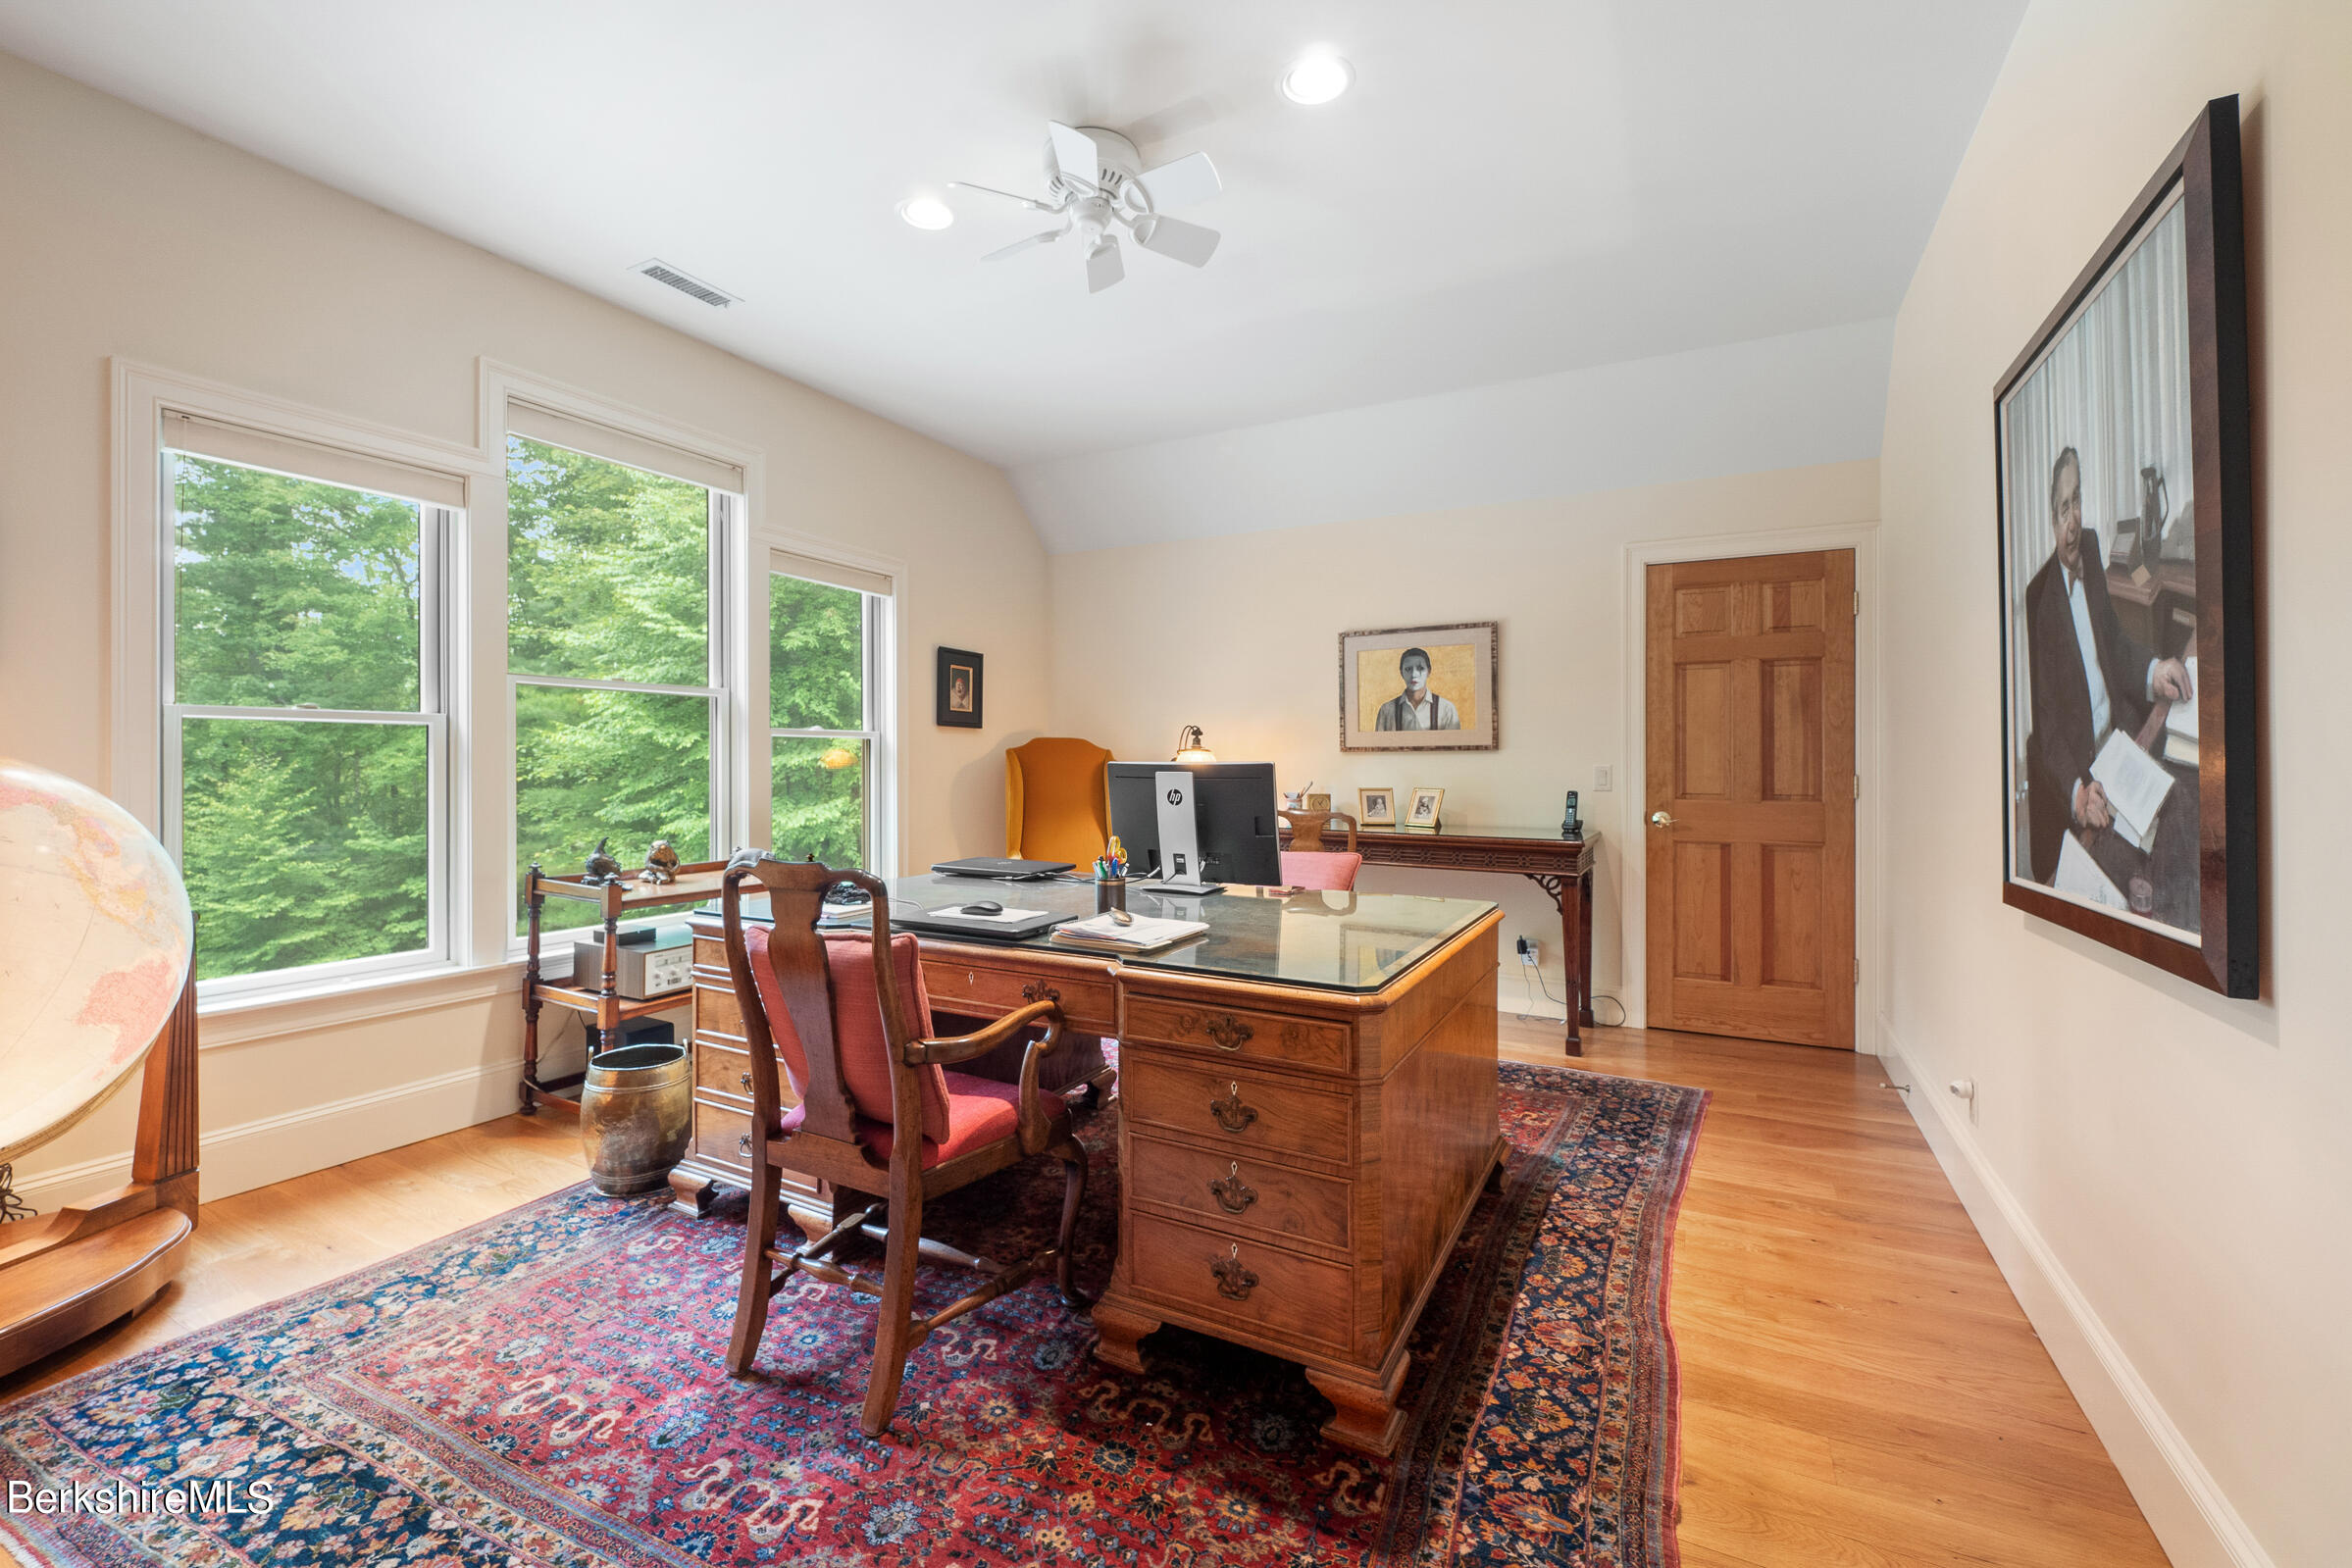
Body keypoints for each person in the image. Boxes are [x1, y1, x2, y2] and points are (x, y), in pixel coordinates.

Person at [2022, 446, 2192, 882]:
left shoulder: (2093, 547)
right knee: (2135, 876)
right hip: (2086, 773)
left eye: (2076, 500)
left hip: (2121, 743)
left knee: (2182, 820)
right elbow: (2048, 730)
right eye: (2063, 508)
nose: (2074, 518)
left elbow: (2114, 642)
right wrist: (2078, 793)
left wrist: (2153, 669)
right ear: (2050, 517)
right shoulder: (2040, 602)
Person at [1374, 647, 1460, 731]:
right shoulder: (1386, 710)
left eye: (1420, 668)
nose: (1414, 674)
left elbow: (1456, 744)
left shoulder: (1446, 709)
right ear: (1401, 673)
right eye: (1408, 669)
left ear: (1429, 671)